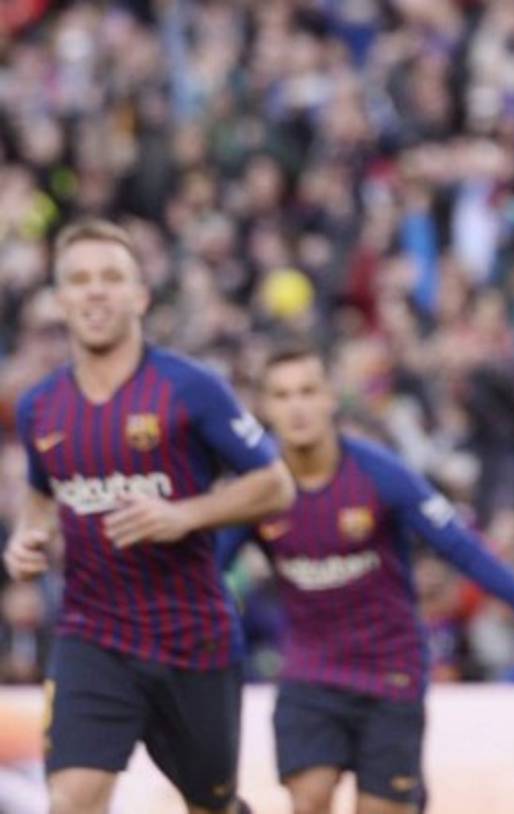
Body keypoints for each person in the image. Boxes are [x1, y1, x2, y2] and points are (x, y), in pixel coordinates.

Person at [2, 218, 295, 814]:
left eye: (111, 277)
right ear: (59, 298)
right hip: (93, 636)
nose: (95, 291)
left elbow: (275, 485)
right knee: (72, 799)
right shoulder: (40, 407)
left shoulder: (191, 389)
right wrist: (27, 539)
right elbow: (40, 494)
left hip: (192, 639)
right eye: (79, 280)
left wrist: (184, 514)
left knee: (210, 803)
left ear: (141, 294)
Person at [217, 343, 514, 814]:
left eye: (308, 391)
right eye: (283, 395)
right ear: (265, 407)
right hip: (310, 672)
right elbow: (209, 567)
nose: (298, 406)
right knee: (308, 799)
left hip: (387, 672)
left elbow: (462, 549)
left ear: (331, 397)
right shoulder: (259, 486)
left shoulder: (380, 473)